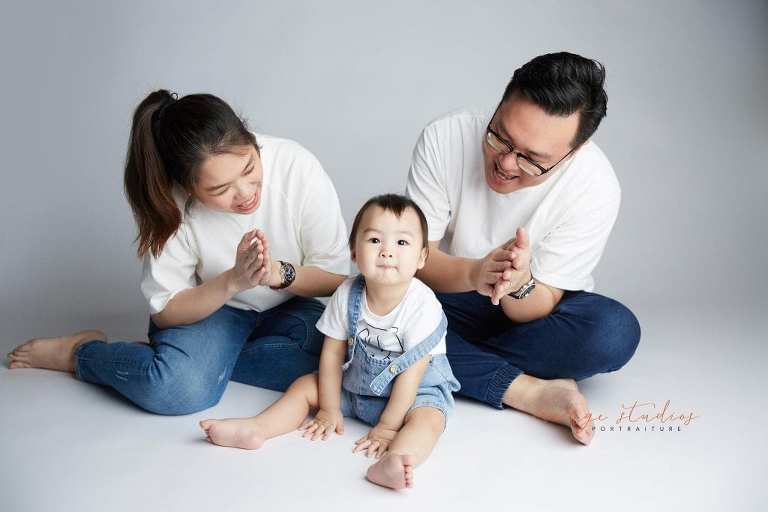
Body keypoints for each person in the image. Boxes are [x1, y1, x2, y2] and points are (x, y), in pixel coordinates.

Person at [7, 90, 350, 415]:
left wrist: (278, 273)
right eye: (220, 189)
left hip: (286, 306)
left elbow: (335, 278)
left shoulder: (296, 166)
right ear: (189, 188)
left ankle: (198, 362)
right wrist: (233, 281)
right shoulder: (173, 203)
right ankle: (81, 353)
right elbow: (166, 311)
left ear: (250, 139)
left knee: (351, 363)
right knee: (177, 388)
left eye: (249, 169)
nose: (245, 193)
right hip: (212, 310)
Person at [406, 52, 641, 445]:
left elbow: (542, 301)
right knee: (370, 300)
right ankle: (529, 389)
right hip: (450, 293)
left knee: (613, 332)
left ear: (572, 152)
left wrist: (518, 284)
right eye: (500, 137)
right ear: (500, 102)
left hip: (534, 312)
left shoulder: (595, 184)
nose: (506, 163)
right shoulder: (445, 137)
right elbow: (415, 260)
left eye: (532, 160)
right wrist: (475, 273)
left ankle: (426, 356)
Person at [199, 194, 460, 491]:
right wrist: (329, 407)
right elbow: (332, 355)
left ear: (422, 257)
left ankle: (395, 460)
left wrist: (388, 427)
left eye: (402, 242)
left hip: (413, 394)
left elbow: (412, 376)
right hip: (357, 385)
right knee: (304, 386)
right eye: (375, 240)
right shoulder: (347, 294)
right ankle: (258, 427)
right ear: (354, 252)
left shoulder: (423, 305)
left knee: (429, 421)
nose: (387, 252)